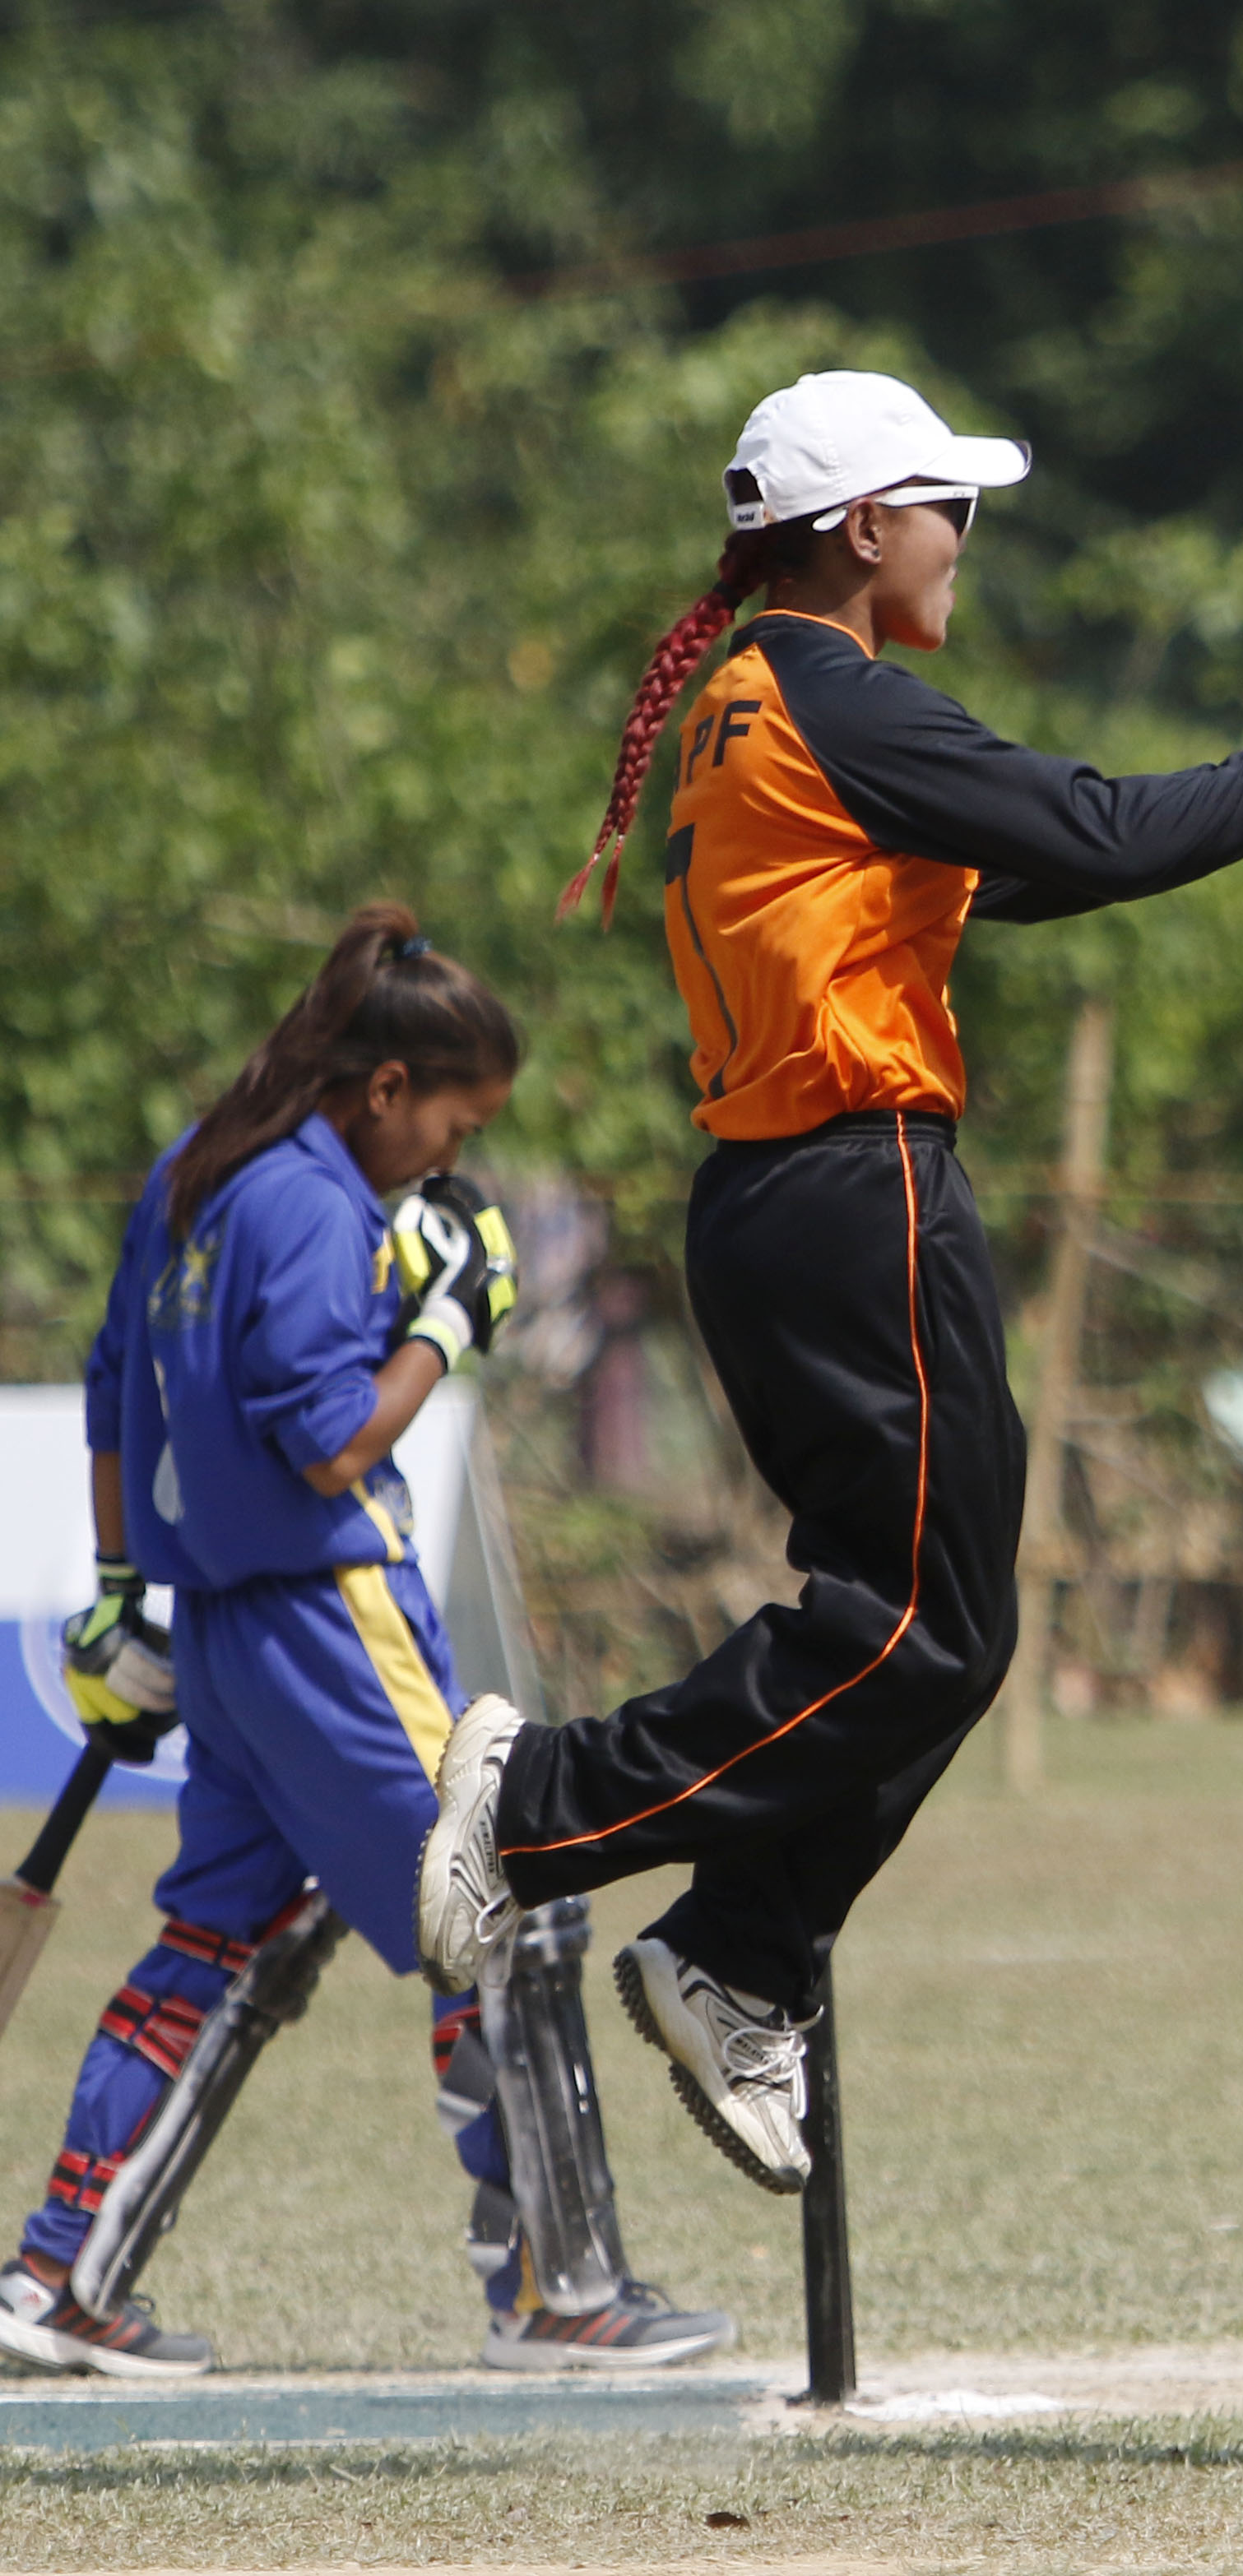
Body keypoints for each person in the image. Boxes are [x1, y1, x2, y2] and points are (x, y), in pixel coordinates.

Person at [416, 370, 1243, 2194]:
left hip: (785, 1203)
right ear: (864, 528)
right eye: (947, 504)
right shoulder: (834, 689)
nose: (965, 535)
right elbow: (1096, 828)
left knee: (941, 1625)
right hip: (850, 1191)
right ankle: (546, 1805)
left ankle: (739, 1954)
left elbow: (1028, 867)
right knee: (915, 1631)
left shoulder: (751, 702)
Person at [0, 906, 730, 2379]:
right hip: (334, 1619)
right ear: (386, 1086)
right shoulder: (316, 1206)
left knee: (225, 1938)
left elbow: (116, 1388)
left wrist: (123, 1590)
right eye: (455, 1125)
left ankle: (63, 2272)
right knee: (508, 1906)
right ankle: (557, 2292)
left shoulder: (198, 1166)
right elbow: (334, 1442)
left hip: (220, 1630)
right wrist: (445, 1325)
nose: (450, 1159)